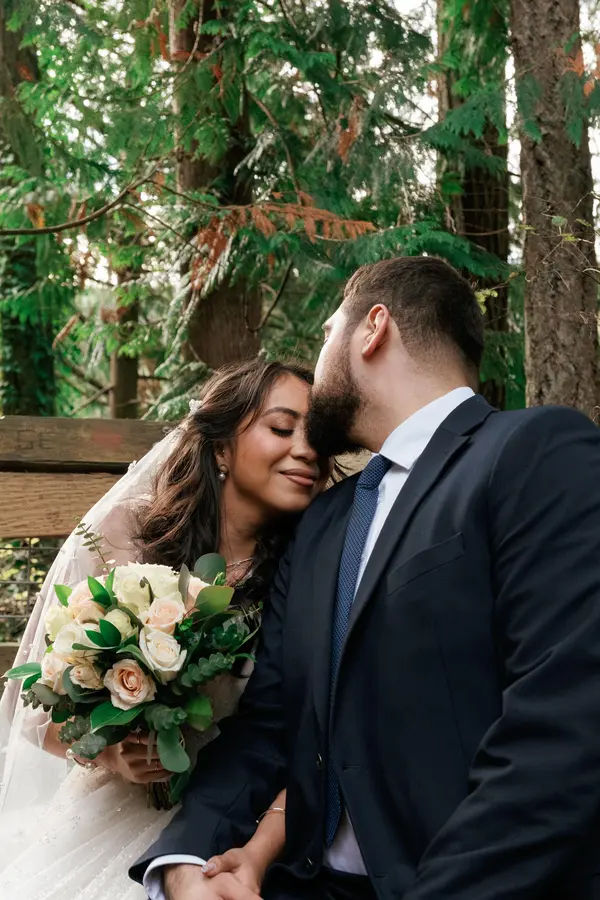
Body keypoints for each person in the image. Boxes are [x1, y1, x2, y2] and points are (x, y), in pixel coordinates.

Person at [134, 255, 600, 900]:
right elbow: (269, 723)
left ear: (372, 328)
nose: (317, 355)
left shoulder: (533, 451)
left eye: (326, 333)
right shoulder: (321, 524)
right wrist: (187, 859)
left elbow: (565, 723)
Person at [0, 359, 330, 900]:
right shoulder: (127, 534)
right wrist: (108, 751)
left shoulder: (312, 565)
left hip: (247, 822)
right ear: (221, 448)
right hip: (121, 812)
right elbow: (29, 702)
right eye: (281, 428)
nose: (307, 450)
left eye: (317, 437)